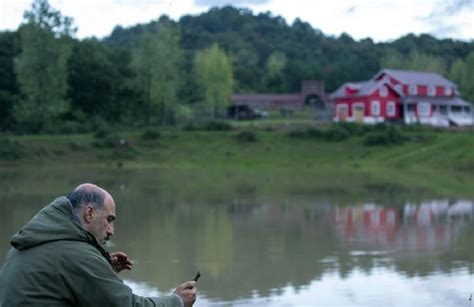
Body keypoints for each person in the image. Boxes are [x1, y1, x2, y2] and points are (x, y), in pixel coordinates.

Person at [0, 183, 197, 306]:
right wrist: (177, 301)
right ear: (90, 213)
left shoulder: (29, 242)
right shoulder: (75, 254)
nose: (112, 230)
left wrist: (102, 270)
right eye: (109, 219)